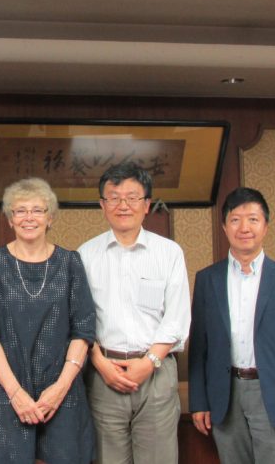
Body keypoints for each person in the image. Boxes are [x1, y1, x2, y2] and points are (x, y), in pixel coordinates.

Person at [0, 177, 96, 464]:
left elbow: (83, 330)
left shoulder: (70, 262)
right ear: (10, 219)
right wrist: (15, 393)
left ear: (50, 217)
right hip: (5, 391)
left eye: (37, 210)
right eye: (20, 210)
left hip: (61, 392)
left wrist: (60, 388)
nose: (29, 218)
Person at [188, 187, 275, 464]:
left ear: (266, 226)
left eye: (253, 219)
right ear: (224, 227)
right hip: (226, 394)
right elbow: (199, 346)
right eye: (235, 220)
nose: (244, 227)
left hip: (273, 395)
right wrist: (198, 402)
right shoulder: (207, 280)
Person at [77, 161, 190, 464]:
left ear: (147, 204)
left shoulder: (169, 253)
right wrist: (99, 362)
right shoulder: (85, 255)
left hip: (156, 373)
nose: (122, 205)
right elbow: (78, 319)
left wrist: (149, 362)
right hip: (104, 374)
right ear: (102, 205)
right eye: (113, 197)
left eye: (132, 197)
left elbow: (177, 318)